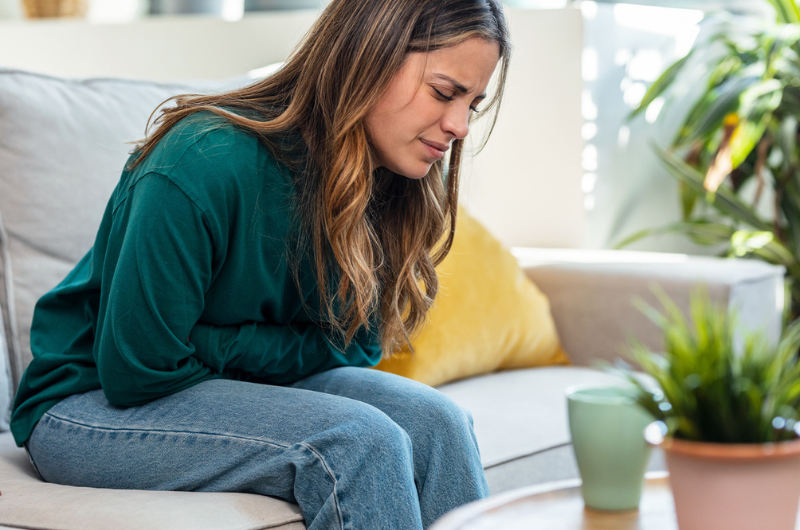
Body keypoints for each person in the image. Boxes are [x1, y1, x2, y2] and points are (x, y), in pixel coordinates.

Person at [9, 0, 510, 528]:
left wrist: (209, 340)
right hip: (87, 406)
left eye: (472, 104)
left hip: (218, 379)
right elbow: (140, 369)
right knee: (359, 441)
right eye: (444, 92)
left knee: (440, 422)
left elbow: (357, 344)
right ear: (369, 57)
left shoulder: (386, 175)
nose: (459, 126)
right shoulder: (202, 160)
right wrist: (248, 350)